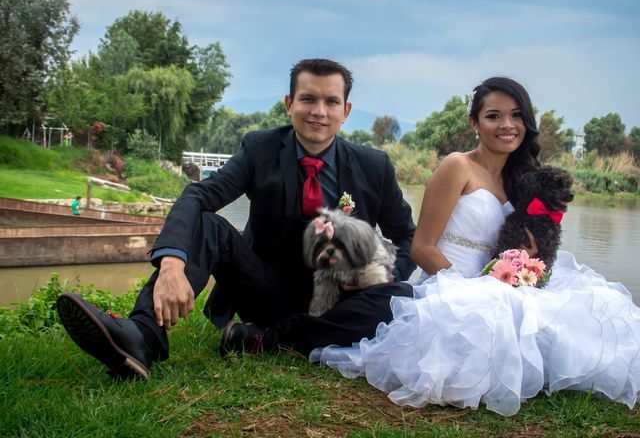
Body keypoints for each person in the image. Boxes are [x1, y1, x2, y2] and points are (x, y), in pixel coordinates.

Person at [56, 58, 416, 381]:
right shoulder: (260, 149)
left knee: (400, 295)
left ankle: (265, 340)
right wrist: (171, 263)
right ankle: (142, 336)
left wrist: (383, 277)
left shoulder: (374, 166)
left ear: (346, 110)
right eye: (308, 99)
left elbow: (407, 237)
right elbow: (198, 195)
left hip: (340, 300)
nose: (318, 111)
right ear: (289, 104)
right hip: (265, 289)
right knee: (209, 224)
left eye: (330, 101)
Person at [311, 77, 640, 416]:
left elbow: (530, 239)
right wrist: (472, 291)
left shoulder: (525, 177)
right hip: (449, 281)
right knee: (483, 332)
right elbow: (422, 247)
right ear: (474, 122)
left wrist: (528, 262)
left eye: (516, 115)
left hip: (501, 283)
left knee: (585, 309)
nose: (507, 125)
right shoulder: (457, 166)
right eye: (494, 116)